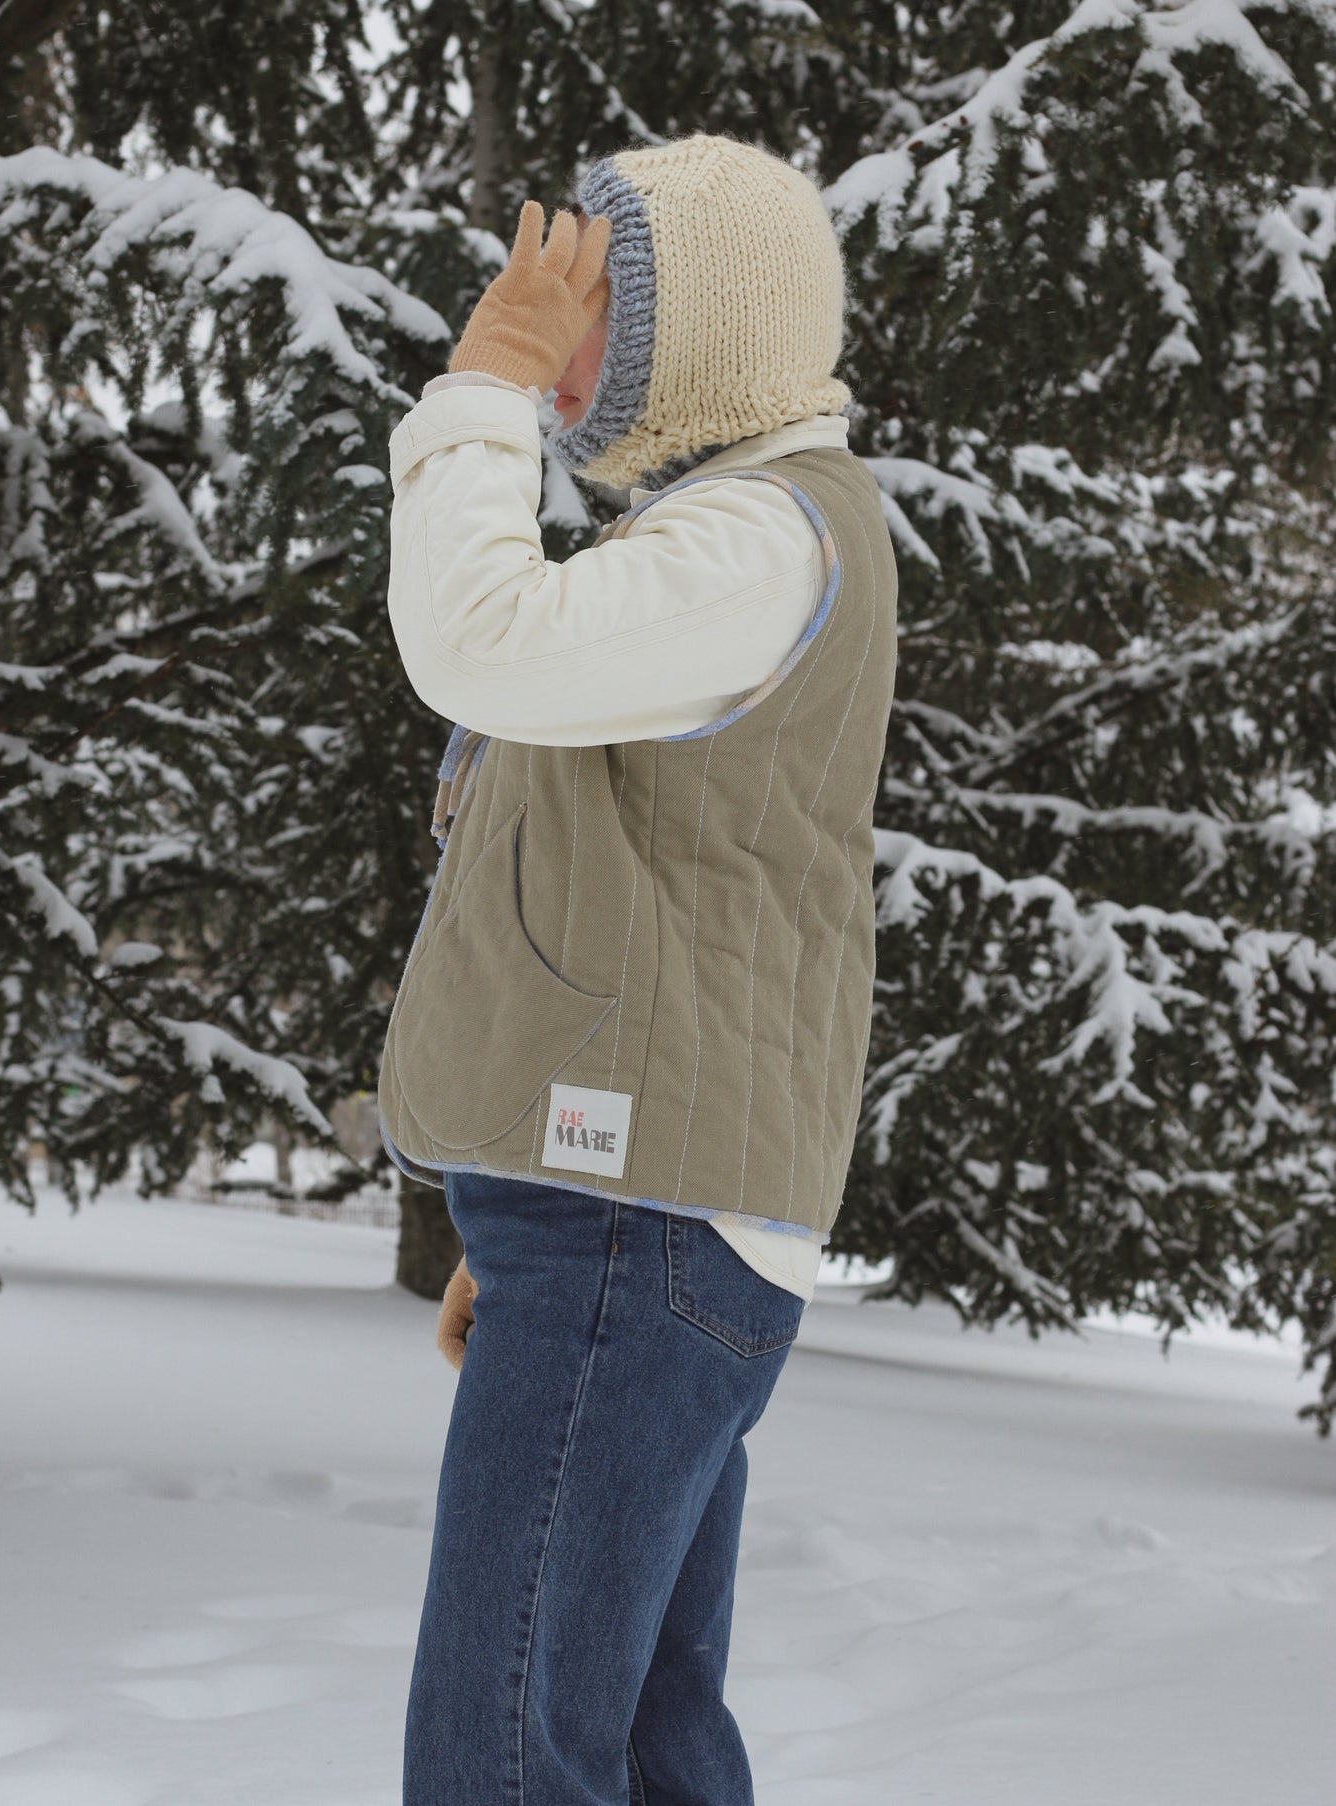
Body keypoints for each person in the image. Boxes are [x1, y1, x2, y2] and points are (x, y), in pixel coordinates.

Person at [379, 131, 898, 1805]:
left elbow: (474, 638)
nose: (551, 346)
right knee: (638, 1747)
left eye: (587, 305)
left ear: (699, 338)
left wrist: (479, 390)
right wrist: (528, 1209)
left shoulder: (761, 539)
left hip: (633, 1216)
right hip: (616, 1215)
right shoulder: (720, 540)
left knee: (503, 1761)